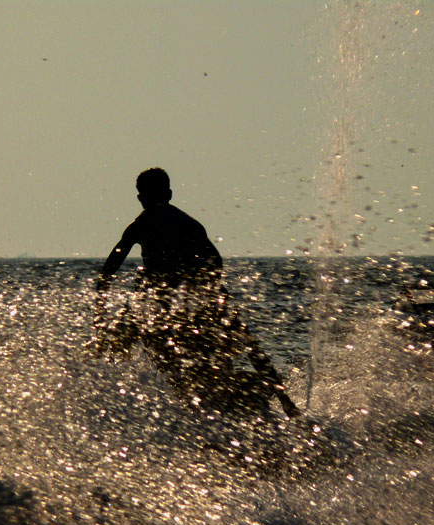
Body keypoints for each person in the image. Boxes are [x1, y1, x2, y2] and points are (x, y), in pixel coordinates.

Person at [95, 167, 300, 418]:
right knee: (247, 342)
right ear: (169, 194)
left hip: (174, 298)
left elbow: (109, 270)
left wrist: (100, 311)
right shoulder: (190, 224)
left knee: (127, 337)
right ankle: (287, 403)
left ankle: (113, 386)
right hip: (198, 293)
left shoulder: (141, 224)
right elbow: (215, 261)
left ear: (141, 198)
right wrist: (208, 290)